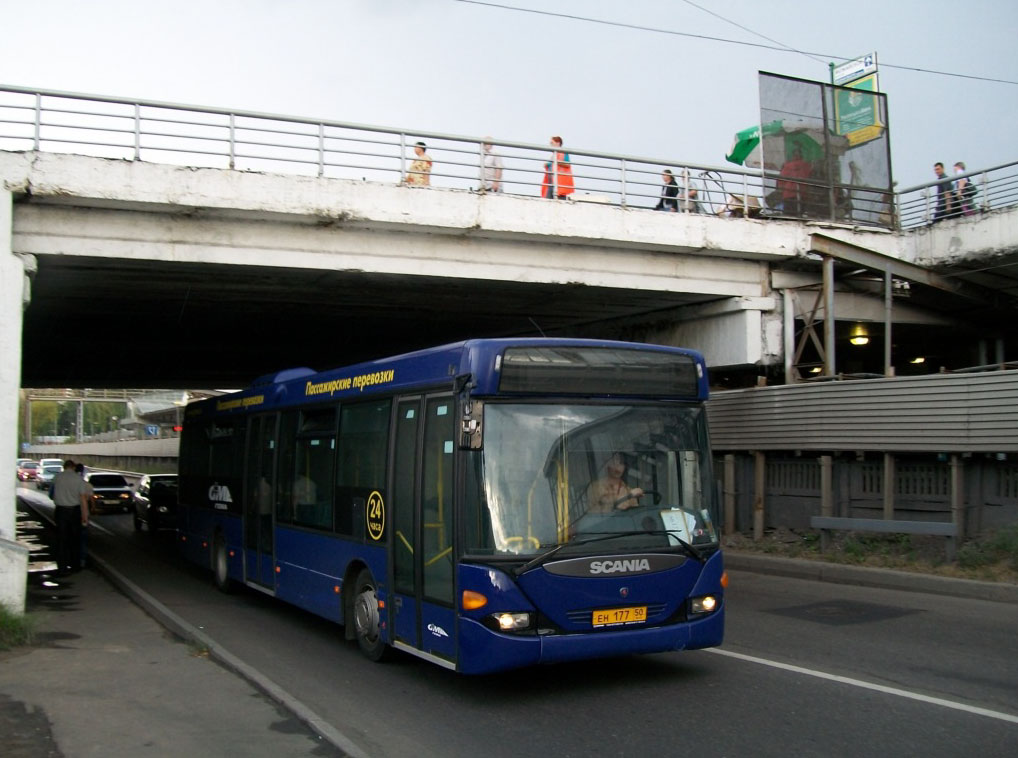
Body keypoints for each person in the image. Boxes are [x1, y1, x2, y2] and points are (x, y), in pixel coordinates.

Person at [50, 459, 89, 575]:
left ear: (64, 467)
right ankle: (75, 565)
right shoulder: (78, 479)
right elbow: (82, 499)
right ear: (73, 467)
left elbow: (52, 495)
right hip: (74, 512)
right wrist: (85, 516)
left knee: (61, 540)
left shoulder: (57, 477)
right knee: (75, 540)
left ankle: (61, 567)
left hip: (60, 511)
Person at [777, 149, 812, 217]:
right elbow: (809, 178)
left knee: (788, 216)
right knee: (801, 215)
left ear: (793, 156)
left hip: (788, 193)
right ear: (801, 156)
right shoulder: (807, 166)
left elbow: (781, 180)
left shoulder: (787, 166)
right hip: (802, 193)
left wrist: (782, 189)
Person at [76, 463, 93, 568]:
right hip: (82, 513)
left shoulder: (68, 482)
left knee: (71, 536)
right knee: (82, 538)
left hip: (70, 512)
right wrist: (85, 517)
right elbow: (87, 501)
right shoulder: (86, 485)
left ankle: (72, 558)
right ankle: (81, 560)